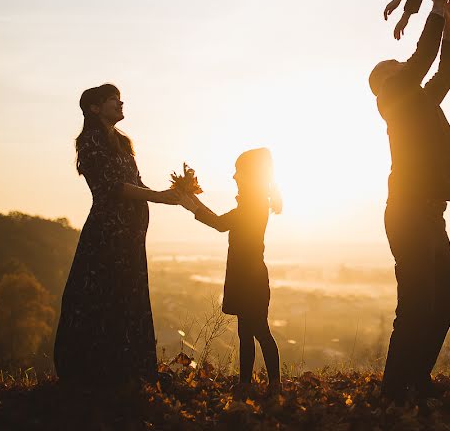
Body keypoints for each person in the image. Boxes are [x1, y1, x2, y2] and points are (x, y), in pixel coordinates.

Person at [369, 0, 450, 403]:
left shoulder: (415, 101)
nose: (406, 69)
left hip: (430, 213)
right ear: (387, 83)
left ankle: (416, 379)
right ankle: (394, 390)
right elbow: (420, 59)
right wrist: (435, 5)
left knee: (443, 305)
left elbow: (445, 72)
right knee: (416, 307)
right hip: (409, 213)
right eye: (398, 70)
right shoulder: (392, 100)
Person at [54, 84, 179, 389]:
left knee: (129, 292)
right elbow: (113, 187)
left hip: (132, 230)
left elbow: (135, 182)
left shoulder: (122, 142)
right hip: (109, 230)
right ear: (94, 108)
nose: (121, 104)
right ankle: (97, 371)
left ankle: (131, 368)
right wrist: (160, 198)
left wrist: (175, 195)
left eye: (120, 99)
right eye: (113, 100)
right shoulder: (91, 140)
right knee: (104, 293)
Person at [178, 148, 282, 397]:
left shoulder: (253, 206)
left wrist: (190, 202)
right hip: (246, 277)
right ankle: (247, 384)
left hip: (250, 279)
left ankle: (274, 385)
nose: (234, 176)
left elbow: (219, 224)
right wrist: (192, 198)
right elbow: (220, 221)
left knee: (259, 332)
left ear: (250, 175)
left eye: (238, 172)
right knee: (247, 333)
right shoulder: (253, 204)